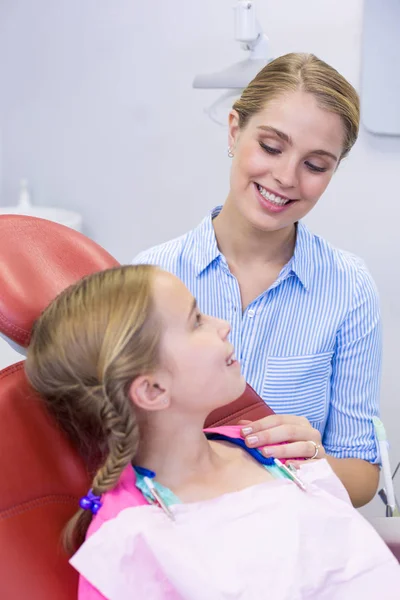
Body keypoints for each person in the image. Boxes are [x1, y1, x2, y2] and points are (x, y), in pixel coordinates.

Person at [24, 265, 398, 600]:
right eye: (196, 320)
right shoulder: (130, 540)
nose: (224, 324)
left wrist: (318, 459)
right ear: (153, 390)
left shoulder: (266, 443)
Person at [133, 52, 381, 507]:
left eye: (316, 165)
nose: (285, 177)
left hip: (293, 541)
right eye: (271, 147)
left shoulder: (348, 288)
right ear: (233, 130)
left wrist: (313, 459)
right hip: (178, 532)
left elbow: (363, 475)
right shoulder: (153, 277)